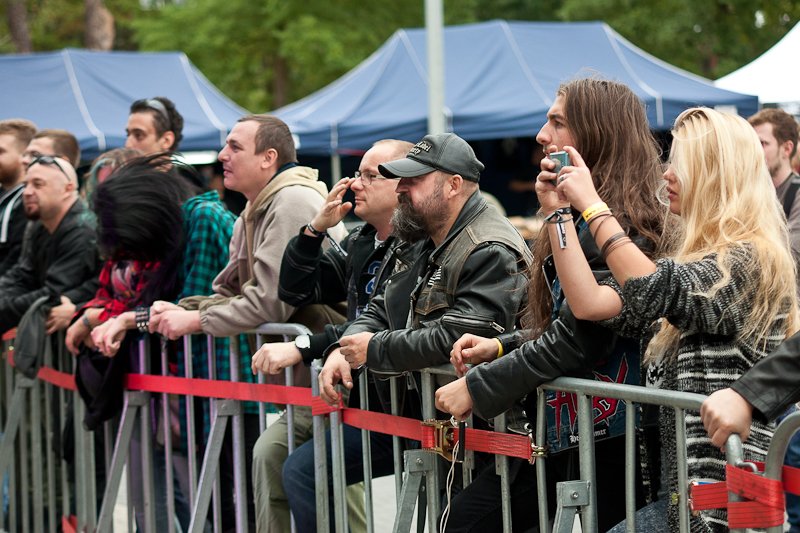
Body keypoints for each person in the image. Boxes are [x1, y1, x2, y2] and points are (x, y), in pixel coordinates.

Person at [532, 106, 796, 533]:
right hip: (684, 500)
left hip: (725, 508)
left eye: (680, 163)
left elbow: (654, 288)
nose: (666, 174)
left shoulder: (751, 261)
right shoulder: (701, 261)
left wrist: (593, 206)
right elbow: (590, 303)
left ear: (716, 173)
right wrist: (559, 215)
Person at [434, 78, 664, 532]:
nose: (542, 135)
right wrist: (500, 346)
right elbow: (566, 318)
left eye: (557, 122)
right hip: (571, 428)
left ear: (597, 132)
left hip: (615, 436)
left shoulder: (623, 222)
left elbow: (581, 336)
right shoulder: (579, 213)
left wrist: (480, 386)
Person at [303, 132, 532, 533]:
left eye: (413, 180)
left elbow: (459, 336)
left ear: (453, 185)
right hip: (448, 428)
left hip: (498, 431)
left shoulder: (487, 245)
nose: (402, 190)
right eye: (400, 180)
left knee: (458, 523)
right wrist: (348, 345)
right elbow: (381, 304)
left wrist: (374, 349)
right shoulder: (423, 235)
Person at [150, 114, 346, 531]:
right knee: (281, 466)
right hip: (307, 381)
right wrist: (173, 310)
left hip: (331, 376)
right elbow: (230, 292)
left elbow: (269, 304)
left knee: (330, 491)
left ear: (268, 157)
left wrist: (193, 321)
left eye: (235, 146)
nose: (222, 155)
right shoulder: (253, 210)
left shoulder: (292, 199)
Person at [250, 139, 414, 533]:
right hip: (357, 398)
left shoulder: (416, 246)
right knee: (276, 455)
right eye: (358, 173)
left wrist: (303, 346)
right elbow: (294, 291)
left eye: (371, 176)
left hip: (402, 404)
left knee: (305, 472)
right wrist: (314, 229)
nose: (356, 183)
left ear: (403, 186)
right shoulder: (362, 242)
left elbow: (383, 319)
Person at [64, 155, 197, 531]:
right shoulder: (124, 242)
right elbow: (106, 292)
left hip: (175, 380)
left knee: (192, 490)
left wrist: (103, 317)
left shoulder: (179, 233)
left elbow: (158, 304)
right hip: (138, 381)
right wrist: (96, 314)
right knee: (146, 494)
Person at [0, 155, 100, 334]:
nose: (27, 192)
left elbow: (53, 295)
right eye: (25, 185)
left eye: (38, 185)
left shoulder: (81, 229)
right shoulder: (39, 223)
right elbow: (24, 274)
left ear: (67, 189)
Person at [748, 108, 800, 260]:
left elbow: (793, 252)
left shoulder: (796, 192)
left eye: (763, 143)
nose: (755, 151)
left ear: (787, 149)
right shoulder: (751, 192)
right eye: (752, 143)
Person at [0, 119, 37, 277]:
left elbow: (15, 262)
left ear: (25, 155)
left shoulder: (29, 202)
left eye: (1, 151)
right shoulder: (4, 197)